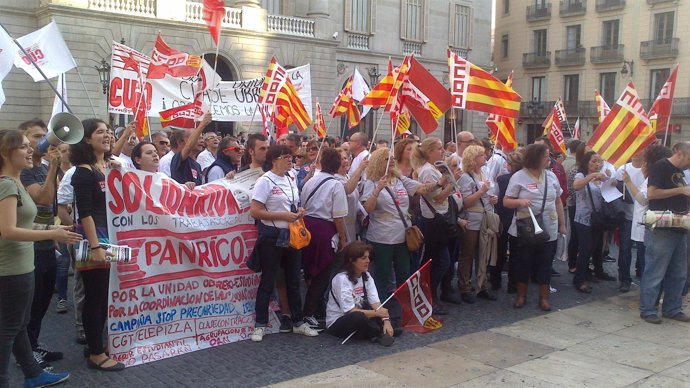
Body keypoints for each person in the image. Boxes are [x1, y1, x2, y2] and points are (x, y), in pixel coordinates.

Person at [0, 129, 80, 388]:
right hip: (11, 270)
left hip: (20, 266)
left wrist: (52, 231)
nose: (30, 150)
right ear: (5, 152)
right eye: (23, 147)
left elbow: (24, 223)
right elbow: (8, 230)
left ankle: (33, 374)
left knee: (19, 324)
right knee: (9, 329)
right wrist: (52, 232)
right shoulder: (7, 184)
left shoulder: (14, 182)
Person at [70, 119, 126, 371]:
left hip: (108, 238)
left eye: (109, 132)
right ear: (86, 139)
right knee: (95, 297)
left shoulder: (107, 167)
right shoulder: (83, 172)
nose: (107, 136)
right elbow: (85, 213)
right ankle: (95, 353)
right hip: (94, 240)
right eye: (100, 132)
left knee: (104, 296)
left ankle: (95, 343)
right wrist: (95, 247)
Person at [249, 145, 319, 341]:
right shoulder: (265, 181)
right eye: (286, 157)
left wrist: (299, 211)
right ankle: (260, 324)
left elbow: (292, 203)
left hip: (291, 235)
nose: (291, 160)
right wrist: (283, 215)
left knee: (294, 281)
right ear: (274, 160)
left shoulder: (290, 178)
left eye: (292, 156)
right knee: (268, 280)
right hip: (272, 236)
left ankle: (297, 321)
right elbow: (255, 211)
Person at [360, 148, 436, 303]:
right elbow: (367, 209)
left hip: (402, 234)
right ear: (378, 162)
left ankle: (404, 304)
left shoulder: (399, 179)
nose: (392, 161)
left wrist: (440, 183)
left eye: (392, 158)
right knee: (383, 272)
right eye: (387, 159)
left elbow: (420, 189)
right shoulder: (370, 182)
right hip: (382, 235)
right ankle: (381, 304)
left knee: (404, 271)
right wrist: (377, 190)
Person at [18, 119, 64, 368]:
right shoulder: (24, 170)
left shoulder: (41, 168)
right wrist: (53, 167)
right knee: (30, 304)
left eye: (44, 135)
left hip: (47, 243)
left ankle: (32, 344)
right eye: (36, 137)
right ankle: (24, 354)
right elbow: (44, 198)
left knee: (44, 299)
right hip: (32, 245)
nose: (43, 140)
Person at [504, 144, 565, 311]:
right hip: (526, 227)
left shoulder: (551, 176)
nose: (549, 158)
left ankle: (544, 298)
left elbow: (558, 201)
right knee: (524, 262)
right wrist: (519, 202)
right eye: (546, 155)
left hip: (548, 226)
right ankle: (521, 295)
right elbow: (506, 201)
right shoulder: (519, 177)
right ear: (536, 157)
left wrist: (562, 224)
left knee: (545, 262)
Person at [639, 142, 690, 324]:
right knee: (655, 271)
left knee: (678, 272)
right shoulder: (661, 166)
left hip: (680, 227)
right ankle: (648, 309)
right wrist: (681, 190)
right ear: (679, 153)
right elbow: (652, 194)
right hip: (662, 229)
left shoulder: (681, 172)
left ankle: (672, 308)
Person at [300, 148, 349, 330]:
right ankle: (309, 313)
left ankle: (315, 308)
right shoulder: (336, 185)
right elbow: (338, 216)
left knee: (311, 272)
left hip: (307, 228)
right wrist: (343, 238)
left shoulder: (311, 181)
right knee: (322, 274)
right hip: (324, 231)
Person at [411, 138, 454, 313]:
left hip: (438, 218)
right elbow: (437, 197)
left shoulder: (434, 168)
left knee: (440, 260)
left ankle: (430, 295)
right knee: (440, 261)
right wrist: (451, 183)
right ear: (429, 152)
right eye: (439, 148)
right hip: (433, 220)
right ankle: (429, 295)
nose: (442, 151)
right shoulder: (428, 171)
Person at [325, 241, 396, 346]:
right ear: (352, 260)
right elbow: (349, 311)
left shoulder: (366, 276)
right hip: (339, 321)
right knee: (358, 317)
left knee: (392, 303)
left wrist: (386, 320)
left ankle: (380, 329)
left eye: (368, 257)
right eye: (363, 258)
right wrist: (378, 314)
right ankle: (378, 333)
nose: (368, 261)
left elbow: (376, 304)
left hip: (362, 311)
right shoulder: (342, 279)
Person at [623, 145, 672, 288]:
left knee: (648, 265)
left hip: (646, 226)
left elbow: (643, 199)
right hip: (650, 224)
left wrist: (628, 181)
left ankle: (649, 297)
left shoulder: (653, 177)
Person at [457, 144, 499, 303]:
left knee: (483, 255)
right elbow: (464, 203)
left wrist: (493, 198)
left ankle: (482, 285)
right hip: (472, 220)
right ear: (473, 159)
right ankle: (464, 287)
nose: (485, 157)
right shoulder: (466, 177)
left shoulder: (483, 173)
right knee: (468, 254)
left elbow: (489, 194)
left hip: (485, 218)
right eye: (481, 155)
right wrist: (481, 193)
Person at [571, 151, 610, 294]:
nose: (597, 164)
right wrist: (592, 176)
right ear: (586, 162)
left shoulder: (601, 177)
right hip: (583, 218)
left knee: (593, 249)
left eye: (599, 161)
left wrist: (611, 182)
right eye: (594, 161)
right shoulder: (581, 175)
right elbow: (576, 186)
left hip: (598, 219)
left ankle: (586, 273)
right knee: (585, 249)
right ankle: (579, 280)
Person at [492, 150, 524, 293]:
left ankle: (496, 281)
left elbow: (497, 197)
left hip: (504, 217)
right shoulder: (524, 178)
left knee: (499, 251)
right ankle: (513, 284)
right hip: (518, 217)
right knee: (516, 253)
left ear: (510, 165)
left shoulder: (502, 179)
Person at [612, 153, 644, 292]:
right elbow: (614, 188)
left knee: (643, 250)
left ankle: (643, 276)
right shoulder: (623, 169)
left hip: (643, 217)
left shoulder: (648, 171)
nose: (636, 154)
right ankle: (624, 278)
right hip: (627, 215)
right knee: (625, 248)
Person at [55, 143, 72, 314]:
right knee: (63, 262)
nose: (67, 154)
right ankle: (62, 298)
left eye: (69, 150)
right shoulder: (54, 172)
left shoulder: (77, 170)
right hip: (59, 222)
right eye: (63, 151)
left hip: (72, 219)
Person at [170, 113, 212, 187]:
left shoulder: (197, 165)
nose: (202, 141)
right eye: (197, 137)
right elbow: (189, 146)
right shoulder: (177, 159)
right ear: (183, 141)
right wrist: (202, 124)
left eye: (202, 138)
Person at [335, 148, 367, 243]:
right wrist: (360, 169)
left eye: (346, 158)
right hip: (342, 225)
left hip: (352, 225)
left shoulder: (347, 176)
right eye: (341, 159)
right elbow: (348, 189)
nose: (345, 161)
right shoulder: (334, 178)